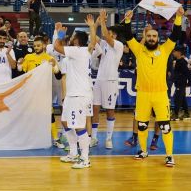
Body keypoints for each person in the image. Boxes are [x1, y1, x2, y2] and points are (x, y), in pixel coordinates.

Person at [122, 7, 185, 166]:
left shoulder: (165, 49)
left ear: (158, 38)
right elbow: (128, 36)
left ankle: (169, 155)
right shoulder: (138, 49)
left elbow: (176, 34)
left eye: (154, 36)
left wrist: (178, 17)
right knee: (142, 125)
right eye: (149, 36)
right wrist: (128, 20)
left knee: (165, 126)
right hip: (143, 94)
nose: (151, 38)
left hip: (160, 94)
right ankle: (143, 151)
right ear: (145, 36)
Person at [54, 14, 97, 169]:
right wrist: (92, 26)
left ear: (77, 41)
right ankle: (73, 152)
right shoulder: (83, 51)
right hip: (74, 94)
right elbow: (92, 42)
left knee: (79, 126)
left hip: (79, 95)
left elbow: (56, 47)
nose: (70, 38)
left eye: (73, 36)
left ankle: (85, 158)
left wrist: (59, 33)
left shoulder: (77, 50)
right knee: (65, 121)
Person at [17, 36, 61, 147]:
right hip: (30, 93)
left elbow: (59, 76)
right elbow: (20, 73)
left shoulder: (49, 58)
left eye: (38, 45)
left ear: (44, 45)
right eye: (35, 46)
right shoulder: (28, 57)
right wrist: (19, 64)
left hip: (44, 93)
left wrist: (55, 66)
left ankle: (55, 139)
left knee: (50, 115)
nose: (36, 47)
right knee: (29, 115)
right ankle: (29, 138)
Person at [90, 10, 124, 149]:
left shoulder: (118, 45)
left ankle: (109, 139)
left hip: (110, 81)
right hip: (99, 80)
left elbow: (104, 35)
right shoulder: (104, 44)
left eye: (109, 32)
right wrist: (93, 25)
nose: (106, 34)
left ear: (114, 35)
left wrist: (103, 21)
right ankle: (94, 137)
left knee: (110, 110)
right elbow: (93, 38)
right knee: (95, 109)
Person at [172, 46, 191, 120]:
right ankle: (187, 114)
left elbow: (187, 73)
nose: (173, 53)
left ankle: (175, 114)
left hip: (181, 83)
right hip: (179, 82)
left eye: (174, 51)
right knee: (182, 98)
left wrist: (190, 82)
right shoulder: (178, 61)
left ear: (179, 53)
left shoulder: (182, 62)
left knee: (177, 99)